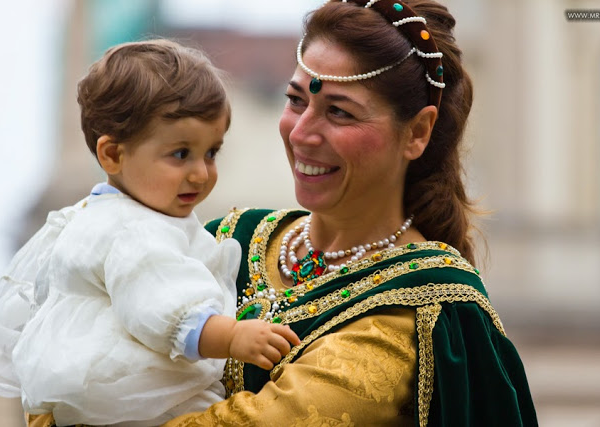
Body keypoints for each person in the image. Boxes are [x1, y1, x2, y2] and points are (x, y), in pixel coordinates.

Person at [159, 0, 538, 426]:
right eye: (296, 100)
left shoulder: (414, 309)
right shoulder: (231, 238)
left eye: (339, 112)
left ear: (416, 132)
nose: (301, 133)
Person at [0, 39, 299, 426]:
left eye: (211, 153)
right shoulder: (132, 230)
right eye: (181, 154)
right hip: (140, 404)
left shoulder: (104, 215)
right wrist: (233, 337)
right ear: (113, 155)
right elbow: (166, 309)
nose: (201, 173)